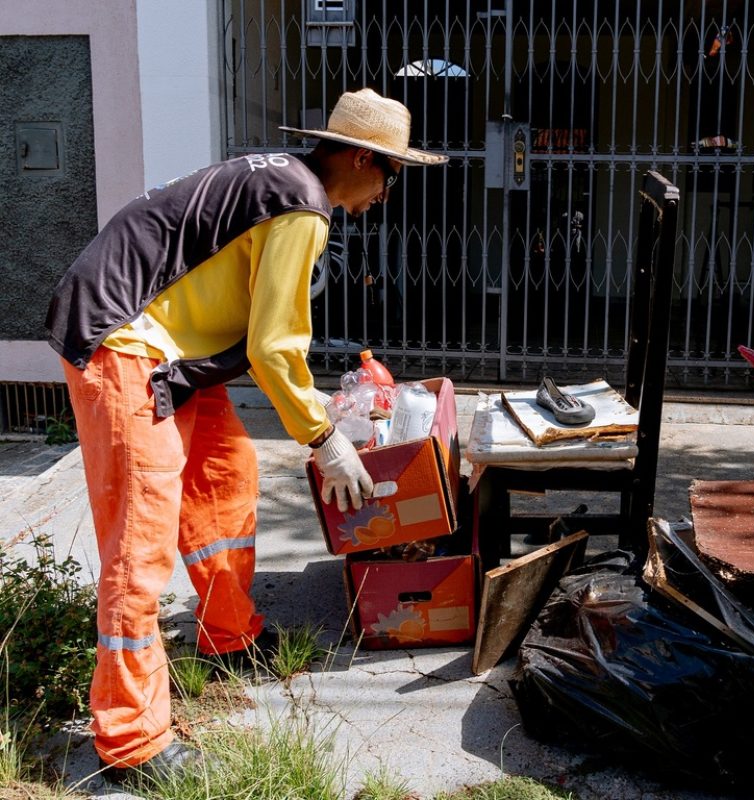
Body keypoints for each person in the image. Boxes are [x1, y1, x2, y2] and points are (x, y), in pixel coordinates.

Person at [44, 88, 447, 785]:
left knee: (225, 482)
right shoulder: (302, 205)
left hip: (168, 354)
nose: (388, 191)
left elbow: (256, 325)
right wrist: (323, 437)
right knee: (140, 544)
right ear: (359, 158)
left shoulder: (283, 179)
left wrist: (313, 409)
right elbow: (273, 344)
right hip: (124, 347)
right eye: (391, 173)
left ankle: (228, 636)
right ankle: (132, 742)